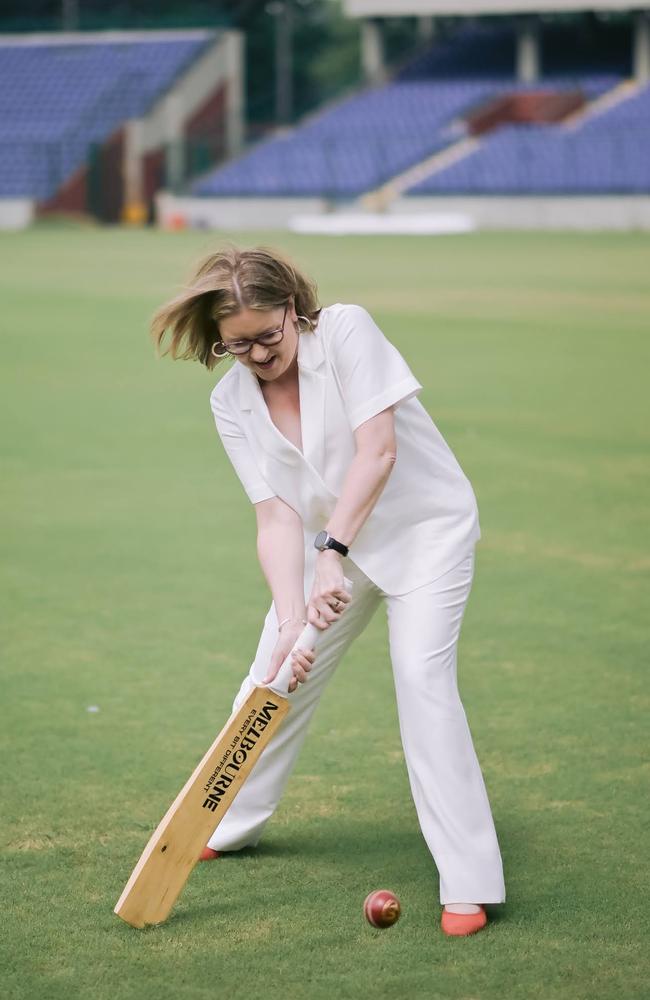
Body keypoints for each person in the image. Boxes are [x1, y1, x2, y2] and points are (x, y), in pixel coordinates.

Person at [150, 244, 506, 937]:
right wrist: (291, 619)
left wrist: (332, 554)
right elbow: (275, 513)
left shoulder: (346, 332)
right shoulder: (231, 401)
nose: (255, 355)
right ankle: (234, 819)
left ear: (292, 308)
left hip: (422, 532)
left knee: (421, 680)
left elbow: (379, 451)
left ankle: (469, 879)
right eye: (236, 345)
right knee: (273, 675)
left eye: (266, 336)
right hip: (333, 551)